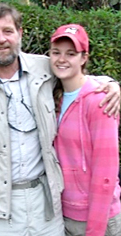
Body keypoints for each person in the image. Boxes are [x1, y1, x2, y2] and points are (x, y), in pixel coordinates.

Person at [0, 3, 120, 235]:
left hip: (45, 206)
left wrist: (112, 84)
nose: (1, 39)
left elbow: (75, 73)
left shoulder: (44, 68)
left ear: (20, 34)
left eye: (8, 31)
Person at [50, 24, 121, 236]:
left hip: (99, 218)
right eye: (56, 53)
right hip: (65, 215)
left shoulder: (100, 100)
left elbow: (105, 174)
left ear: (83, 58)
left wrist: (95, 229)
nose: (62, 59)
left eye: (70, 54)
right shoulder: (53, 96)